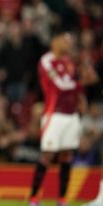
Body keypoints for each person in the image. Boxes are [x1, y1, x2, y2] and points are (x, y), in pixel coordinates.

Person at [28, 30, 94, 206]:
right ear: (56, 41)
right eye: (66, 40)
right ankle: (34, 198)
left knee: (67, 156)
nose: (69, 44)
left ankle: (62, 199)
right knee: (47, 155)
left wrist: (82, 98)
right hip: (54, 114)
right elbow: (59, 85)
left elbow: (79, 85)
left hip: (71, 115)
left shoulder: (70, 62)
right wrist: (81, 84)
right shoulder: (47, 61)